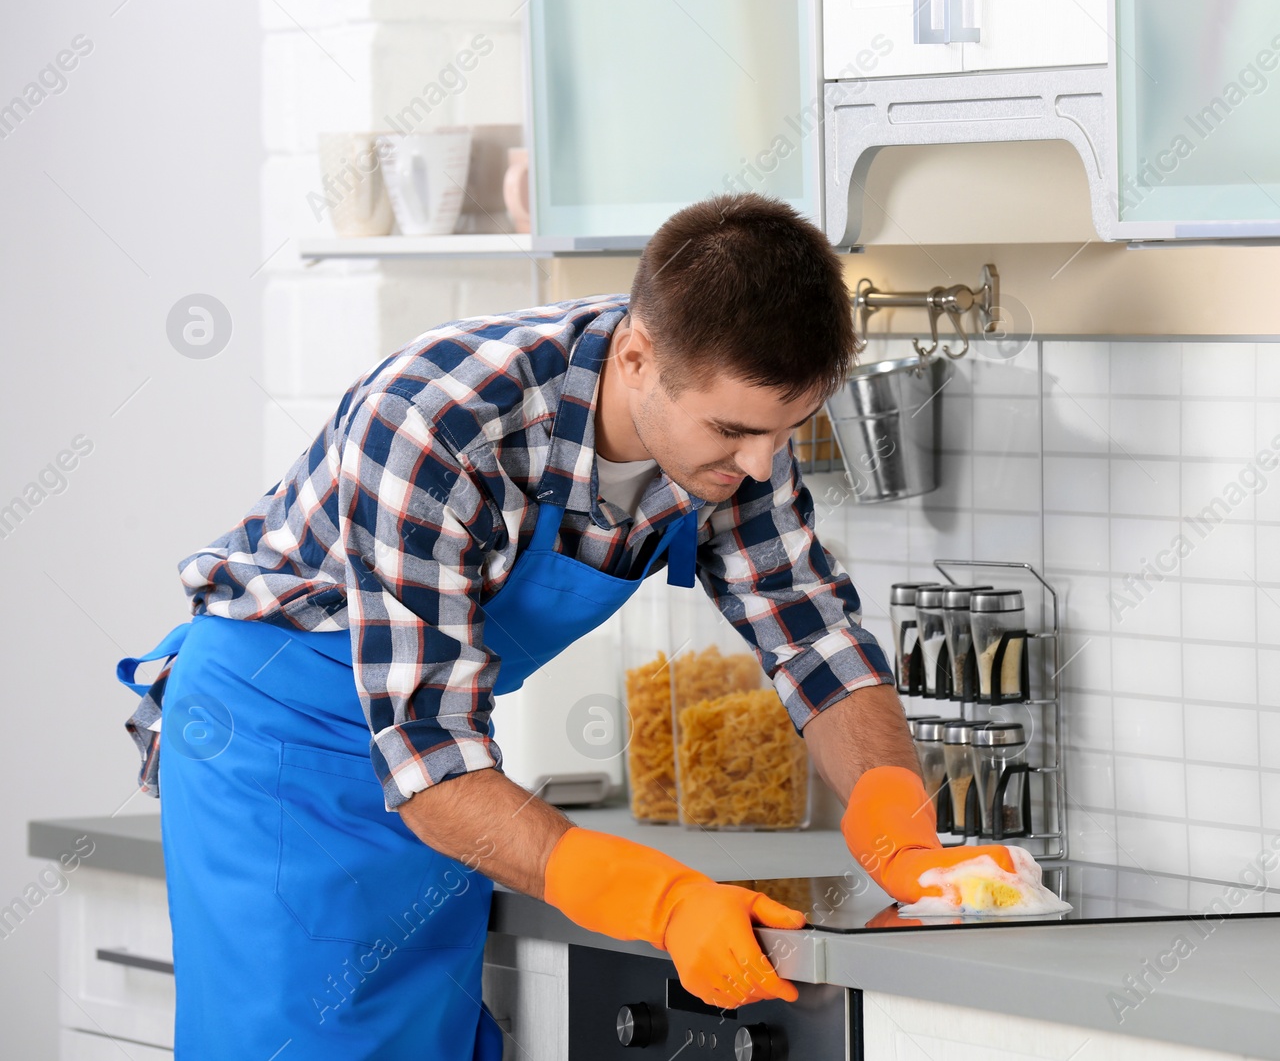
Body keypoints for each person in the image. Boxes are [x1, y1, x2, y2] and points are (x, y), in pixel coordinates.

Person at [117, 193, 1014, 1059]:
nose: (760, 465)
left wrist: (897, 821)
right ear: (636, 358)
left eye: (788, 430)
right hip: (280, 754)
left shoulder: (739, 438)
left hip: (441, 762)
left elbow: (815, 639)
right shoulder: (439, 424)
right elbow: (431, 764)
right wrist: (660, 900)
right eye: (736, 432)